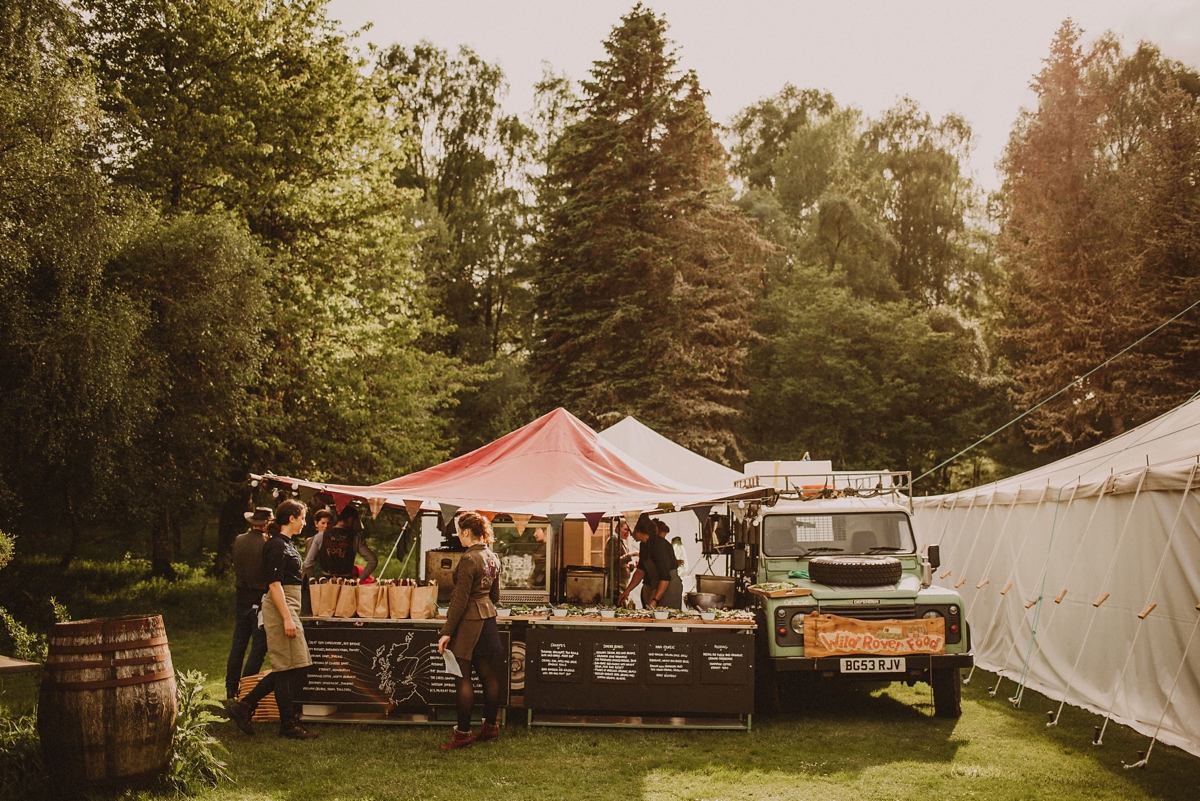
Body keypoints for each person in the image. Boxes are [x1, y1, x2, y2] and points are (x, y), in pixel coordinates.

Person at [228, 499, 318, 740]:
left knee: (291, 666)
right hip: (281, 607)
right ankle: (287, 723)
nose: (304, 522)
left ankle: (245, 706)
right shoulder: (277, 545)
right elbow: (274, 584)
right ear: (291, 518)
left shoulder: (285, 543)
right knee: (287, 667)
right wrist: (287, 618)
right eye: (302, 518)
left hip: (287, 605)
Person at [436, 511, 503, 750]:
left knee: (462, 676)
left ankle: (463, 734)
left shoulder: (468, 559)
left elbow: (460, 601)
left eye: (458, 530)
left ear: (466, 532)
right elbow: (495, 595)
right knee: (487, 674)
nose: (456, 535)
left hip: (469, 621)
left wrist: (446, 631)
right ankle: (490, 727)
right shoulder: (492, 556)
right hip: (488, 618)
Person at [224, 507, 272, 704]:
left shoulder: (239, 540)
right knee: (259, 646)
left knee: (238, 644)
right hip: (259, 598)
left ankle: (230, 687)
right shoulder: (267, 543)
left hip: (240, 596)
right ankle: (247, 687)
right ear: (267, 523)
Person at [618, 514, 681, 610]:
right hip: (657, 585)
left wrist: (655, 600)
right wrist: (627, 590)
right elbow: (640, 571)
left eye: (631, 530)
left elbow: (665, 577)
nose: (630, 533)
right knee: (653, 619)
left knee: (663, 619)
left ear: (637, 530)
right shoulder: (644, 545)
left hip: (669, 587)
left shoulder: (658, 545)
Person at [302, 505, 377, 581]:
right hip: (346, 584)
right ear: (350, 520)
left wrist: (313, 580)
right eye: (355, 522)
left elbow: (308, 563)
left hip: (324, 583)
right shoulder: (355, 539)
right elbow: (373, 560)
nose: (355, 525)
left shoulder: (320, 536)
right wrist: (359, 580)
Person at [606, 520, 635, 600]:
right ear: (618, 529)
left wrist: (630, 567)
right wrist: (632, 554)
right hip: (616, 584)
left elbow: (622, 563)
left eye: (629, 530)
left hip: (622, 584)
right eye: (626, 529)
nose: (628, 532)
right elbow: (615, 563)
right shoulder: (613, 540)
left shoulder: (621, 542)